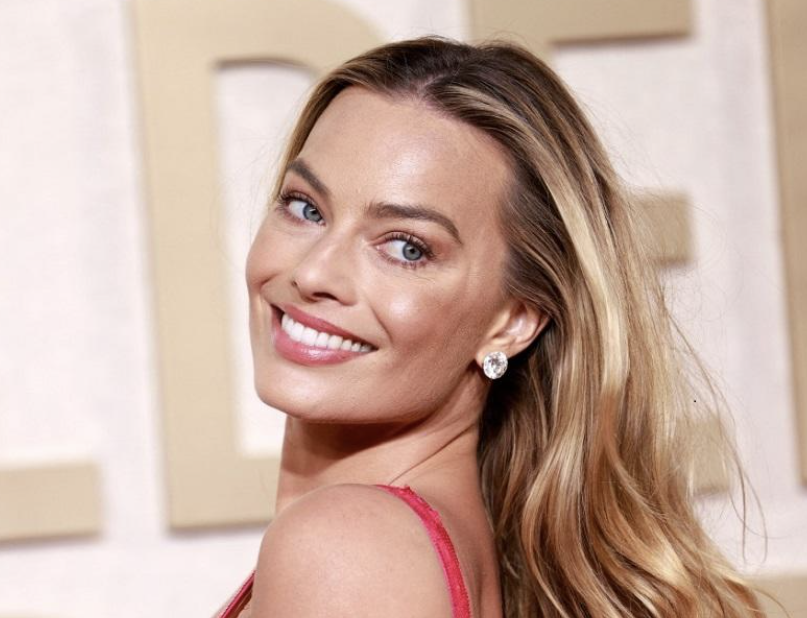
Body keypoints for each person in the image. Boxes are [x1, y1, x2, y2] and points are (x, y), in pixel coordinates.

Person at [219, 35, 761, 617]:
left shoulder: (345, 548)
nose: (313, 272)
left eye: (406, 248)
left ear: (513, 321)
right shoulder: (426, 542)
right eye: (306, 208)